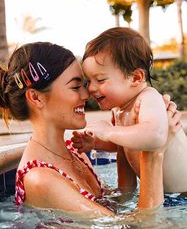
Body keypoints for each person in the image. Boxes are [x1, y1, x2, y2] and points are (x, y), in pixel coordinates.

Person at [0, 42, 180, 218]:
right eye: (75, 87)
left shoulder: (74, 154)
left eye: (84, 84)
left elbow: (121, 200)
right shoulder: (41, 179)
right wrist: (154, 152)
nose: (87, 94)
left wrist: (127, 136)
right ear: (36, 98)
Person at [72, 27, 187, 194]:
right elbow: (128, 141)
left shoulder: (148, 98)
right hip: (166, 196)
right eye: (88, 81)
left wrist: (110, 131)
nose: (91, 88)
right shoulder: (120, 110)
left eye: (100, 79)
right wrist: (97, 143)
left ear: (135, 78)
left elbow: (155, 136)